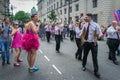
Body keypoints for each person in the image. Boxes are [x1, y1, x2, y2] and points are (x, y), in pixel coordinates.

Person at [81, 13, 103, 78]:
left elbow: (100, 34)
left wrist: (99, 36)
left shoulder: (96, 25)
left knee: (94, 57)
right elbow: (82, 33)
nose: (85, 18)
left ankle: (96, 71)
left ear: (90, 18)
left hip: (94, 43)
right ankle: (83, 65)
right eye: (85, 17)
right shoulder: (85, 25)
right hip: (86, 43)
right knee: (85, 55)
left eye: (86, 17)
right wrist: (83, 40)